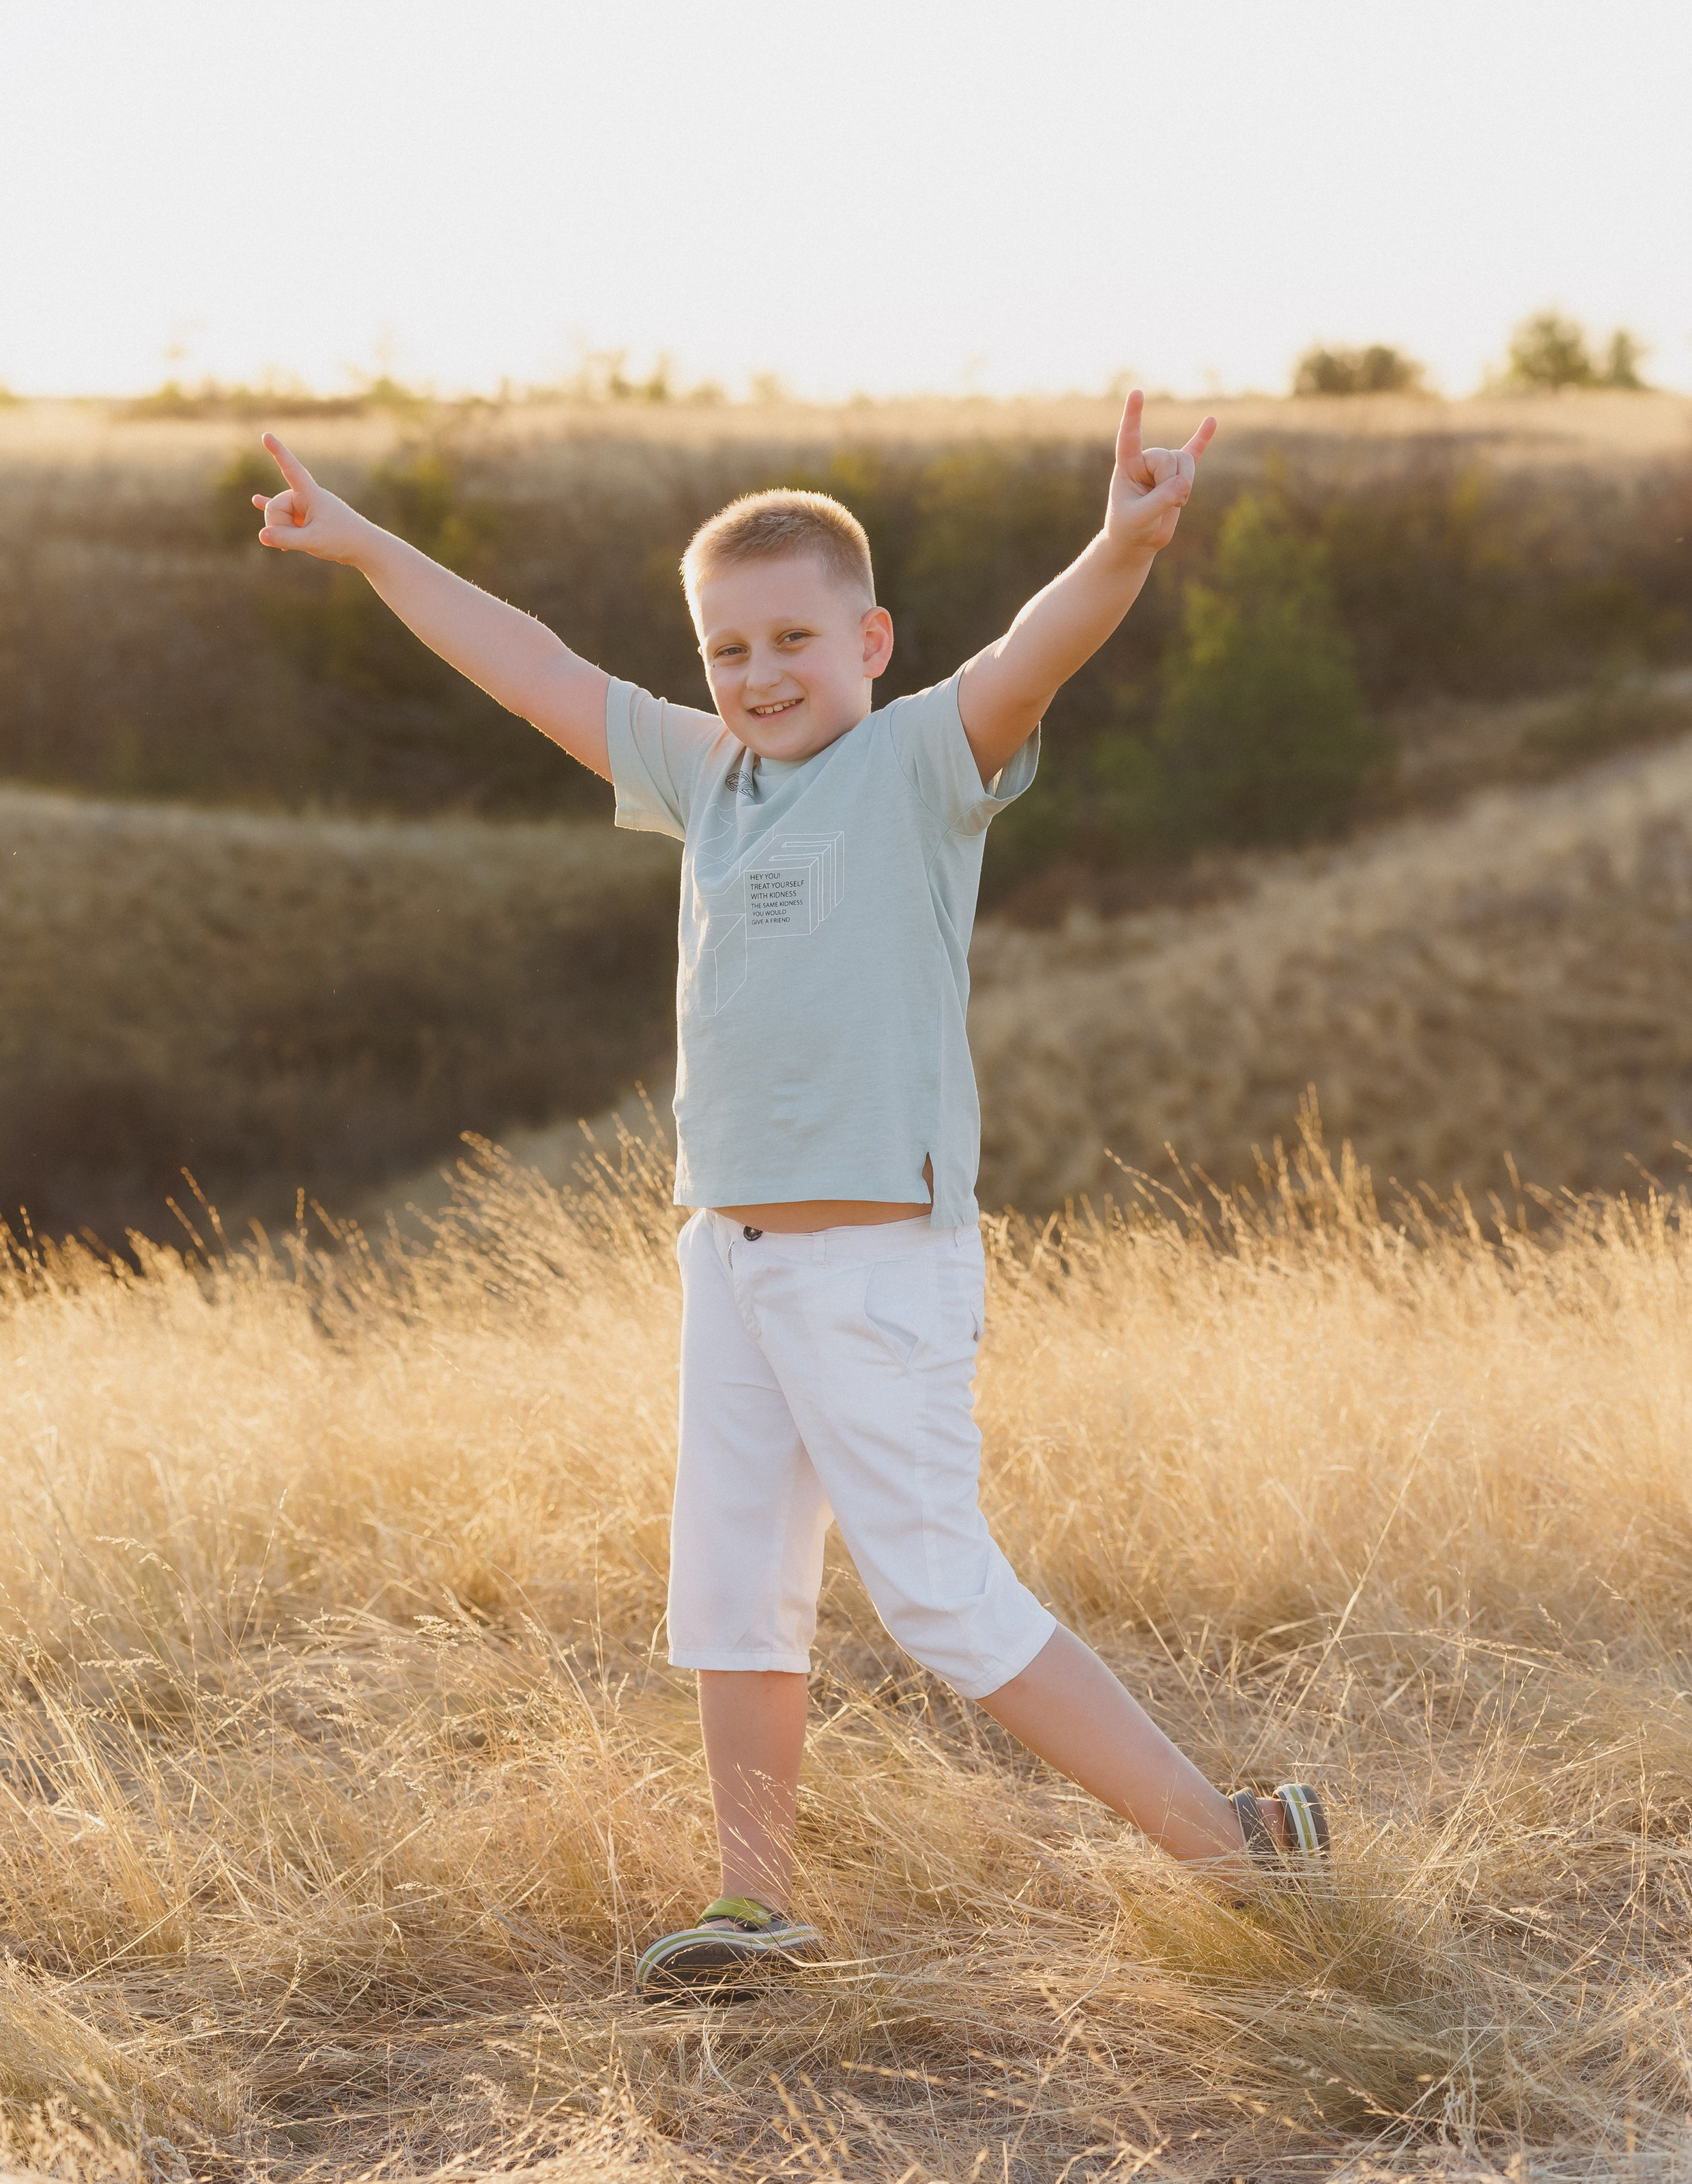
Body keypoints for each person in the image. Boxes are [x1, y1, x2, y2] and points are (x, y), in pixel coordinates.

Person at [250, 391, 1329, 1998]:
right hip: (731, 1255)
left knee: (942, 1601)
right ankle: (758, 1909)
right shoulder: (706, 781)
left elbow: (1037, 649)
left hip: (873, 1267)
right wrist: (365, 546)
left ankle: (1242, 1849)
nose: (758, 678)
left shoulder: (917, 765)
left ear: (871, 638)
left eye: (791, 642)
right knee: (731, 1587)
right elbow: (533, 663)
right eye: (728, 651)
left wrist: (1122, 542)